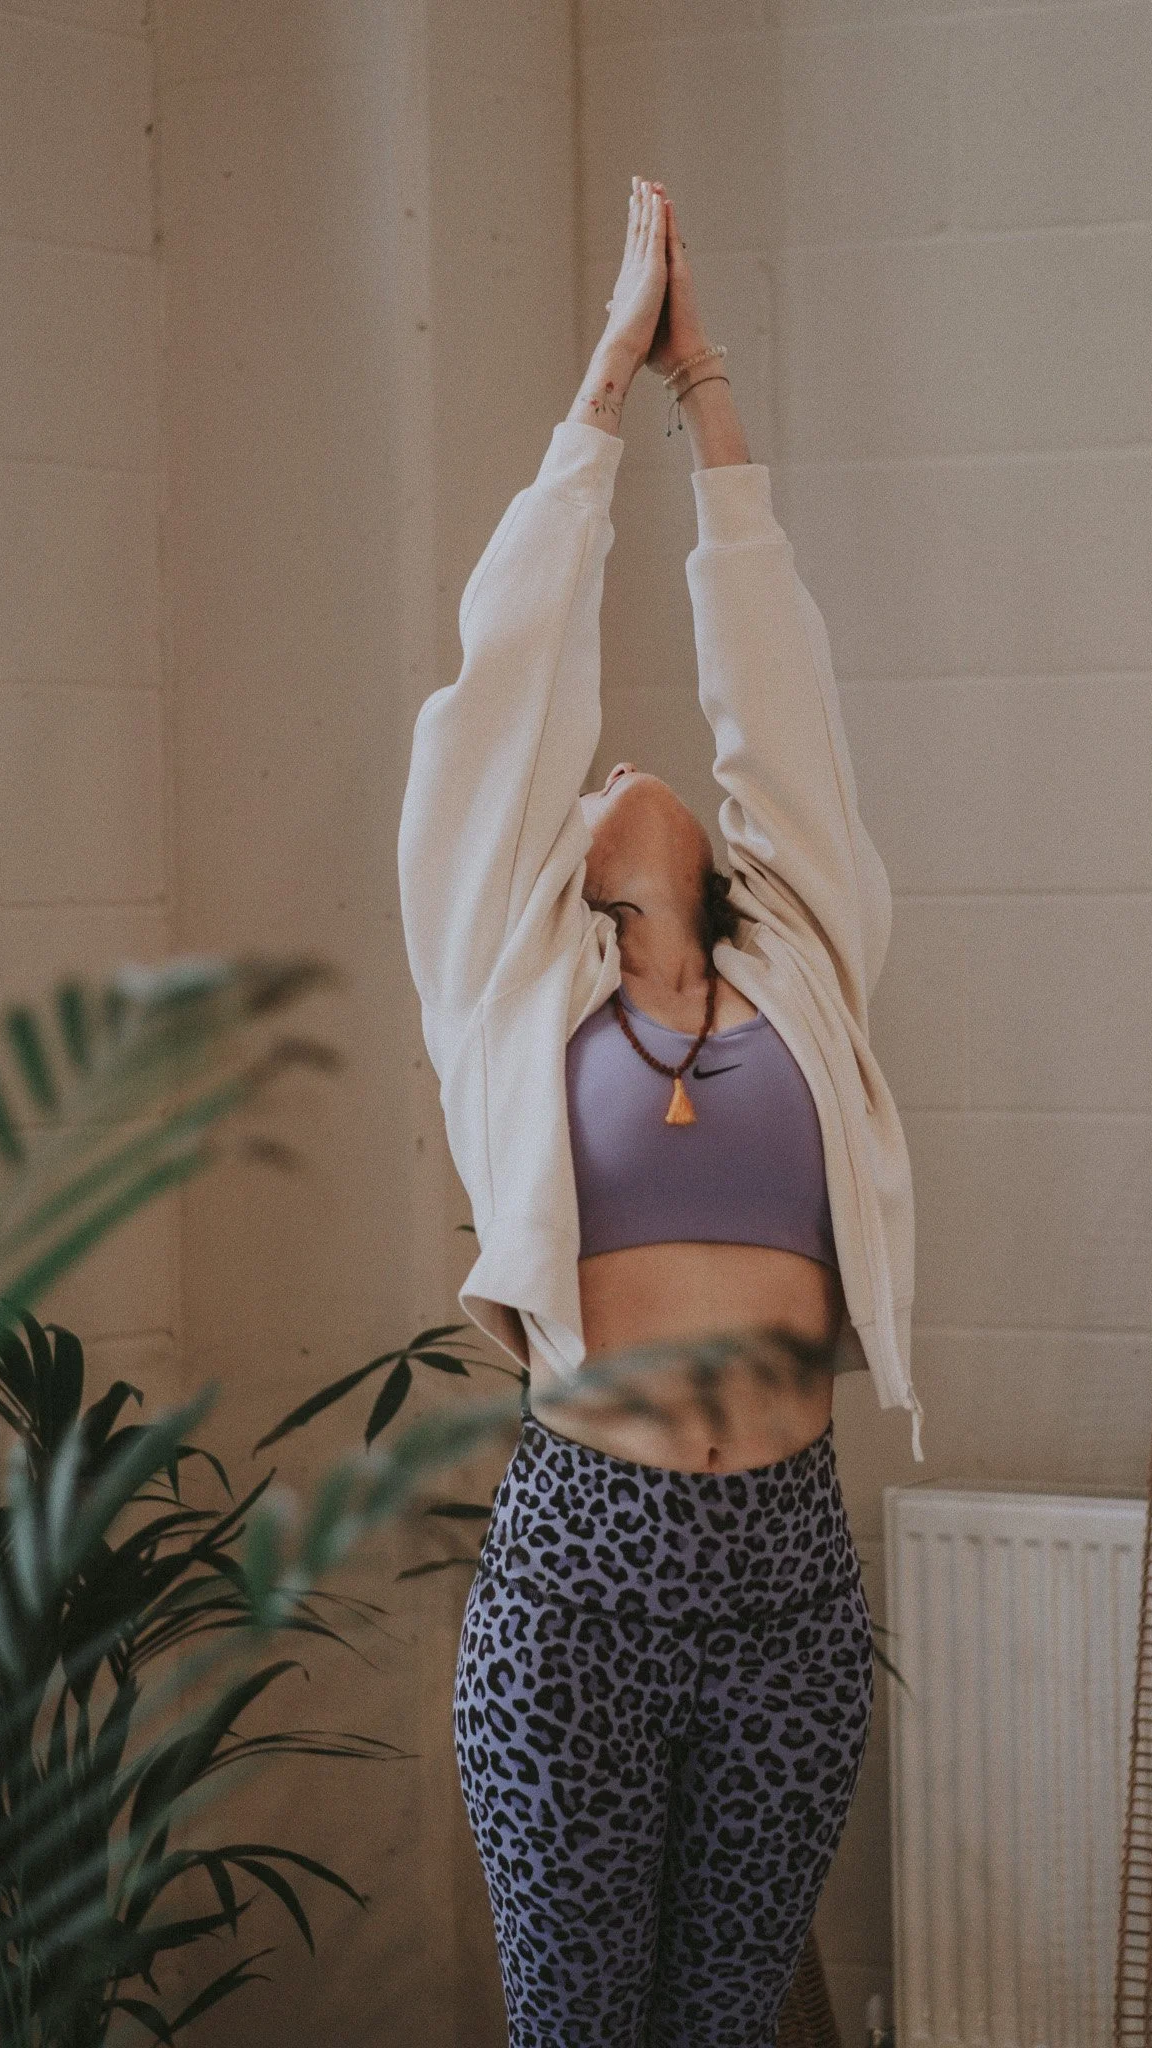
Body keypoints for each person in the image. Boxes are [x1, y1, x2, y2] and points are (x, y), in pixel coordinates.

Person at [397, 177, 920, 2048]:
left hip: (783, 1569)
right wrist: (601, 381)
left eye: (661, 766)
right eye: (594, 773)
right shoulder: (514, 992)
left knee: (724, 2026)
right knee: (576, 2025)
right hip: (576, 1582)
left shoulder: (806, 977)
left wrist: (713, 399)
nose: (631, 765)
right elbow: (496, 701)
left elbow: (783, 711)